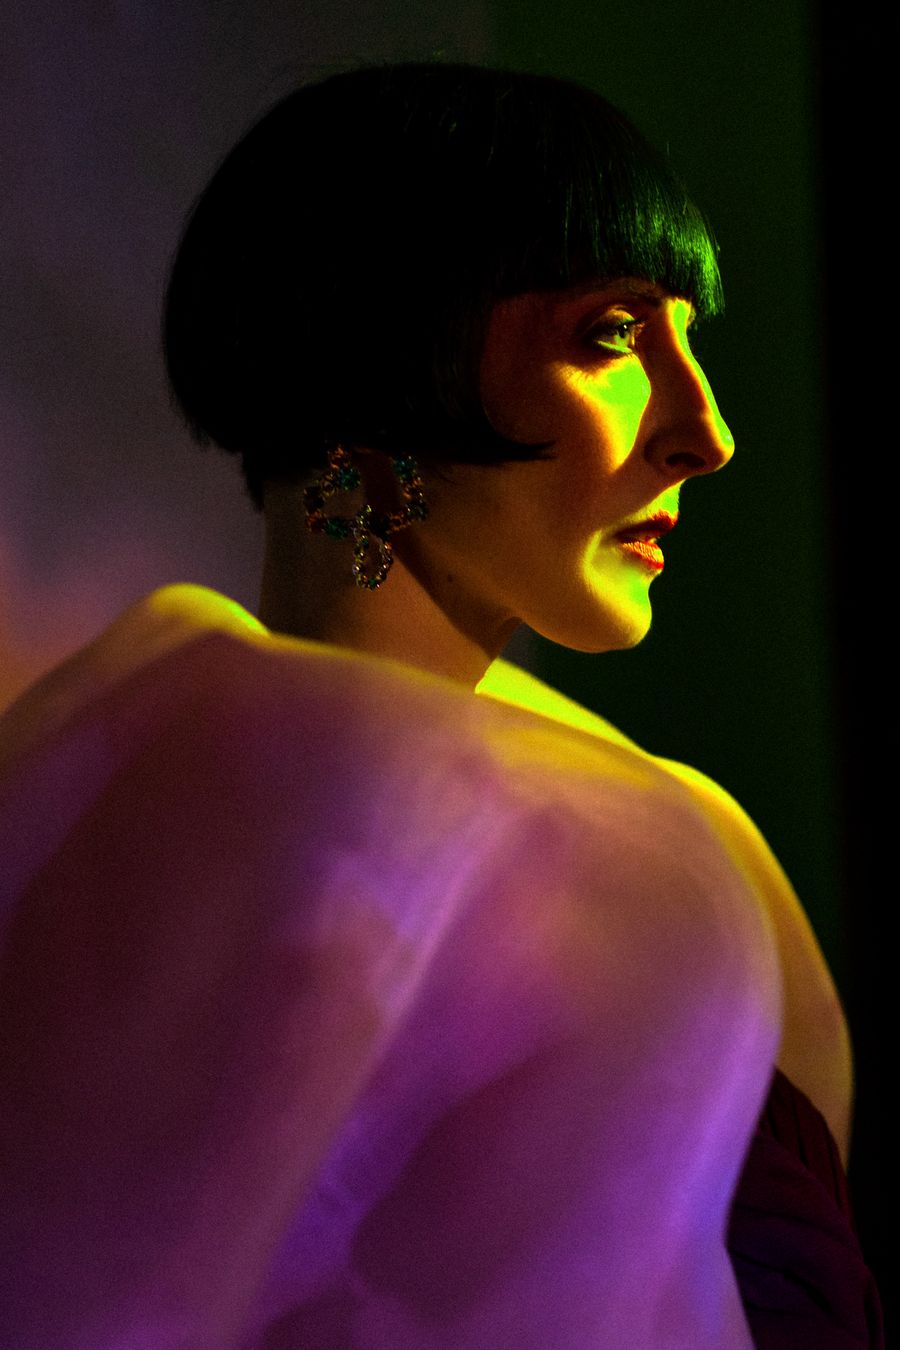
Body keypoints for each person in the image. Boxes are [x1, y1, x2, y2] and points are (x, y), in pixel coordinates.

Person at [0, 61, 883, 1349]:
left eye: (688, 339)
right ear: (387, 360)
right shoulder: (121, 795)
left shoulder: (690, 840)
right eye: (614, 338)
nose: (707, 432)